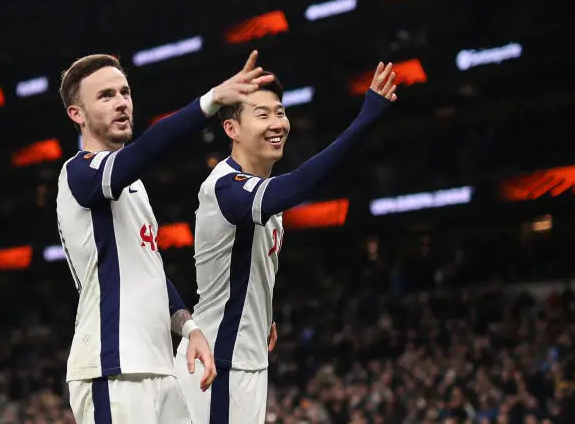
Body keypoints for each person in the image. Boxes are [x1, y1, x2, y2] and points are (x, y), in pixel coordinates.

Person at [55, 50, 275, 424]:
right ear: (77, 114)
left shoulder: (134, 185)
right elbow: (147, 149)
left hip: (159, 367)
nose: (122, 102)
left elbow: (151, 269)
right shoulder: (79, 173)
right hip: (113, 368)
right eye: (105, 96)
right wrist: (211, 101)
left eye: (124, 92)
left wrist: (191, 329)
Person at [175, 62, 398, 424]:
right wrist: (364, 120)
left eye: (280, 113)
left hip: (244, 360)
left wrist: (263, 312)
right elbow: (302, 184)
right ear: (231, 128)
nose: (277, 123)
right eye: (262, 114)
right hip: (218, 361)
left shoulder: (260, 191)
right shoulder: (225, 186)